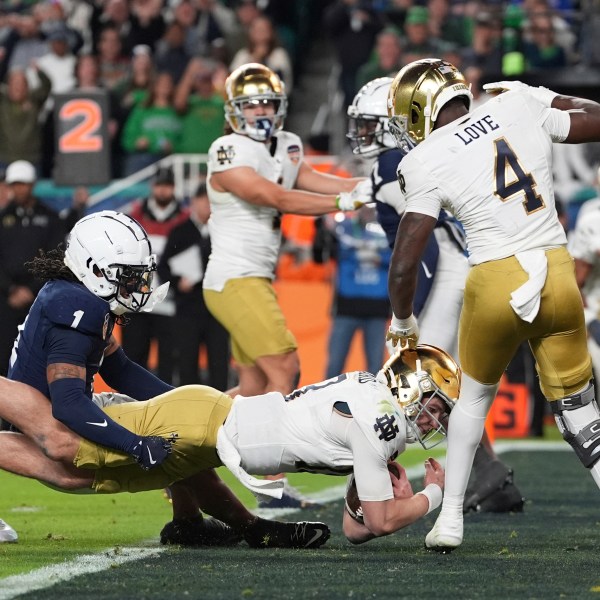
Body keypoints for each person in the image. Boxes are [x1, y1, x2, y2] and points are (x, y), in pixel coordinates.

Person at [385, 57, 600, 552]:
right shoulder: (519, 103)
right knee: (581, 413)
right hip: (559, 274)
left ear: (419, 111)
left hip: (496, 278)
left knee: (472, 401)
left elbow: (403, 263)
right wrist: (544, 94)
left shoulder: (424, 158)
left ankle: (452, 518)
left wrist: (403, 320)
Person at [0, 344, 457, 545]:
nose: (435, 418)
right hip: (202, 424)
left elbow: (358, 529)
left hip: (211, 427)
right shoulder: (378, 422)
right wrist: (431, 494)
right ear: (410, 389)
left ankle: (192, 526)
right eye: (434, 405)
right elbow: (378, 522)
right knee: (65, 455)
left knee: (77, 473)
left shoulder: (373, 400)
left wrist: (380, 493)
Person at [6, 209, 270, 548]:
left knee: (179, 423)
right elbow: (68, 403)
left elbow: (121, 371)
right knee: (179, 440)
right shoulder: (75, 307)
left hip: (68, 415)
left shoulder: (80, 295)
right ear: (94, 269)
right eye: (128, 276)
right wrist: (135, 444)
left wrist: (183, 403)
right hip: (56, 433)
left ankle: (190, 522)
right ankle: (238, 526)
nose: (137, 285)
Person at [347, 75, 523, 513]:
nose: (364, 134)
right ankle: (493, 479)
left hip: (440, 270)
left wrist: (407, 311)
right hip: (461, 264)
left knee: (419, 387)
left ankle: (386, 489)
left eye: (370, 124)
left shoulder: (391, 163)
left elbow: (416, 233)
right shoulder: (410, 159)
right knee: (454, 384)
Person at [203, 62, 369, 508]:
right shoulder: (227, 148)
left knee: (253, 390)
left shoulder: (287, 145)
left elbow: (315, 180)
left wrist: (371, 186)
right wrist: (344, 201)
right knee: (285, 368)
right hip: (233, 278)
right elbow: (273, 196)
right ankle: (271, 483)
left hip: (252, 279)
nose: (259, 110)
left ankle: (179, 451)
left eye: (266, 102)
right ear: (234, 110)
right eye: (251, 103)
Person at [158, 182, 230, 389]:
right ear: (194, 202)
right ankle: (190, 411)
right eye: (204, 200)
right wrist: (177, 283)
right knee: (187, 363)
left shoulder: (223, 232)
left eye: (212, 201)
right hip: (187, 310)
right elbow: (163, 267)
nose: (208, 205)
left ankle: (223, 412)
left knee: (219, 363)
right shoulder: (180, 232)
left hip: (218, 309)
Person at [123, 167, 188, 384]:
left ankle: (166, 408)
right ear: (153, 187)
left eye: (167, 186)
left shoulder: (184, 219)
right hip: (137, 300)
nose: (163, 191)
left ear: (174, 188)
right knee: (133, 357)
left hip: (168, 301)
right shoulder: (135, 216)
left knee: (168, 361)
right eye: (160, 185)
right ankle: (130, 404)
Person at [0, 160, 64, 377]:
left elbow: (56, 256)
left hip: (41, 298)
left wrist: (32, 290)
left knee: (41, 352)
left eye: (23, 184)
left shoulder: (51, 218)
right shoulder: (1, 219)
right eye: (14, 184)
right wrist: (10, 289)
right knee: (3, 354)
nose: (19, 189)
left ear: (32, 184)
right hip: (5, 299)